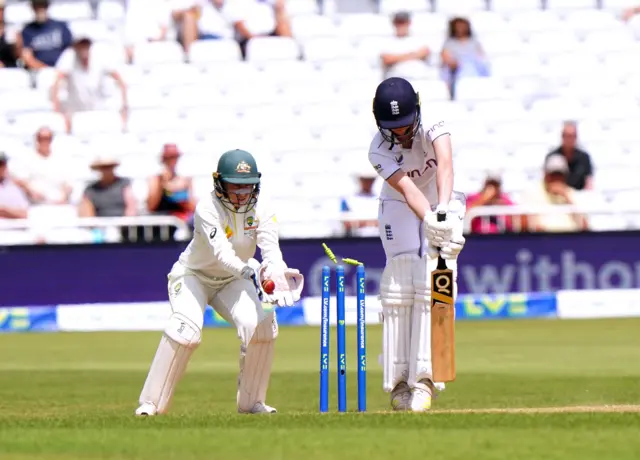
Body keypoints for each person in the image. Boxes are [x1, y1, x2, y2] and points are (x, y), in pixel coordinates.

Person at [135, 149, 304, 416]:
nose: (241, 193)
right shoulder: (207, 208)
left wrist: (276, 273)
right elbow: (223, 255)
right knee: (186, 330)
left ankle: (251, 403)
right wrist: (252, 273)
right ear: (219, 183)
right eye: (234, 186)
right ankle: (151, 404)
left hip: (232, 281)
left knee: (260, 326)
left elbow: (271, 251)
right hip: (193, 275)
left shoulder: (264, 208)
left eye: (247, 187)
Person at [368, 77, 466, 412]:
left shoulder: (435, 121)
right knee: (400, 279)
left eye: (405, 125)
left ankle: (425, 379)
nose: (400, 134)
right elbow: (408, 191)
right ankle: (399, 383)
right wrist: (429, 219)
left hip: (442, 195)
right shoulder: (378, 150)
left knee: (433, 278)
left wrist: (441, 213)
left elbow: (446, 167)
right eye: (391, 128)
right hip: (399, 201)